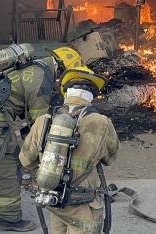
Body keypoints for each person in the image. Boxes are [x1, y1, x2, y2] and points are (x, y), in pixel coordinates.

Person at [0, 45, 83, 231]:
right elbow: (39, 124)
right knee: (7, 167)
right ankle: (9, 218)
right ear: (61, 70)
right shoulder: (41, 80)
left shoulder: (26, 61)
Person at [20, 64, 119, 234]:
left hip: (55, 201)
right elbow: (110, 158)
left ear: (66, 93)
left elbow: (26, 160)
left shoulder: (44, 120)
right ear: (91, 96)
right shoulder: (101, 123)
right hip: (84, 204)